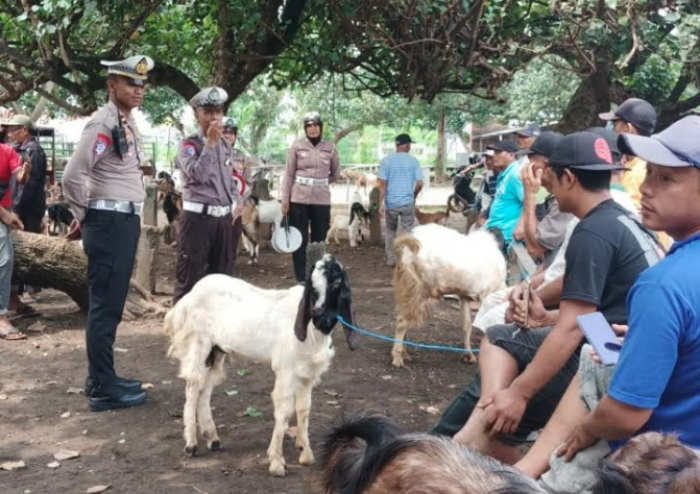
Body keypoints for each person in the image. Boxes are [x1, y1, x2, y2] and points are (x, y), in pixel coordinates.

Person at [441, 132, 662, 464]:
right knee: (500, 335)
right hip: (618, 336)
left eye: (550, 178)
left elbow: (573, 327)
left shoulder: (592, 232)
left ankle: (494, 430)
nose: (547, 188)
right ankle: (489, 413)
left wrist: (519, 393)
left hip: (608, 353)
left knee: (498, 425)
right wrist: (532, 295)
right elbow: (577, 282)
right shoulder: (619, 218)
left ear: (569, 178)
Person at [513, 116, 700, 493]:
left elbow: (624, 415)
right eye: (649, 174)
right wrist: (658, 339)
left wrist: (587, 428)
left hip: (662, 470)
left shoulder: (663, 285)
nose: (645, 188)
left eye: (666, 178)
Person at [62, 55, 154, 411]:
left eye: (142, 84)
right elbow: (72, 177)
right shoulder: (102, 123)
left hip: (120, 222)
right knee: (105, 308)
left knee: (110, 306)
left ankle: (101, 376)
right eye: (131, 83)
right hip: (110, 222)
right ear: (111, 85)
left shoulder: (125, 123)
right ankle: (103, 387)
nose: (138, 89)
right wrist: (87, 218)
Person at [173, 87, 242, 303]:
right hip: (197, 220)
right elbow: (198, 175)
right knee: (190, 277)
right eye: (208, 112)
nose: (214, 117)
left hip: (223, 220)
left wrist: (237, 200)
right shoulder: (189, 145)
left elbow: (228, 178)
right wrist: (210, 143)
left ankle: (214, 334)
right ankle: (180, 332)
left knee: (222, 279)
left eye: (218, 112)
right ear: (197, 115)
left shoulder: (225, 144)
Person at [281, 112, 340, 282]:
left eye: (315, 125)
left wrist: (320, 182)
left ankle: (316, 274)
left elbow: (336, 173)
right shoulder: (297, 146)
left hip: (321, 200)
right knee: (299, 238)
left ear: (320, 127)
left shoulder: (330, 147)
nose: (313, 129)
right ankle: (301, 278)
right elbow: (289, 174)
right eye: (309, 126)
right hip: (298, 198)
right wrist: (285, 200)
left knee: (319, 239)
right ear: (305, 129)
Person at [512, 131, 572, 265]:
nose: (528, 170)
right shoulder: (555, 195)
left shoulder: (565, 201)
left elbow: (535, 248)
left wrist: (529, 194)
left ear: (545, 166)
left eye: (532, 165)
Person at [377, 133, 424, 267]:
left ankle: (391, 259)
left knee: (390, 230)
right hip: (407, 202)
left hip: (391, 203)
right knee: (408, 230)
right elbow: (420, 183)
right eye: (409, 144)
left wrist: (380, 203)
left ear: (396, 145)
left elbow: (382, 184)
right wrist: (414, 195)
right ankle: (406, 260)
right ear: (407, 145)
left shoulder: (386, 161)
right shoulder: (414, 161)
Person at [0, 142, 30, 340]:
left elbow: (21, 178)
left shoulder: (7, 151)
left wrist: (26, 172)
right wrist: (4, 215)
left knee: (5, 256)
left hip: (3, 209)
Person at [483, 140, 523, 246]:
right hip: (495, 231)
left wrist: (521, 225)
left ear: (511, 155)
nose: (494, 156)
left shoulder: (515, 175)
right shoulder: (504, 174)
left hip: (505, 236)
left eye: (498, 153)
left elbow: (529, 202)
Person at [222, 117, 250, 265]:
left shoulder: (241, 157)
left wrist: (241, 200)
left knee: (233, 236)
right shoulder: (211, 152)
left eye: (231, 132)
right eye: (224, 132)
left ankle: (229, 267)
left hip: (236, 206)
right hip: (217, 204)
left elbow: (248, 182)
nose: (228, 135)